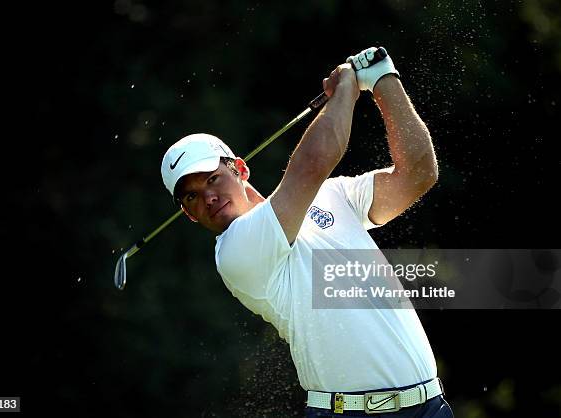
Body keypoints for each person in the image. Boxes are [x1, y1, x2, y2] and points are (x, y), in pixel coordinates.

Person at [160, 47, 452, 417]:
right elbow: (314, 162)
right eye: (192, 197)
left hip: (430, 406)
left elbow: (418, 174)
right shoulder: (237, 251)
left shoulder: (332, 195)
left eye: (213, 179)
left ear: (240, 169)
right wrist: (347, 86)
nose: (209, 197)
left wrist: (382, 80)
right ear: (188, 214)